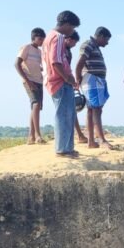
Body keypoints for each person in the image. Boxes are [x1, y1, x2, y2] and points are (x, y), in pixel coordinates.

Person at [42, 10, 80, 157]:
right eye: (72, 27)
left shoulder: (49, 37)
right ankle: (62, 149)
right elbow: (55, 61)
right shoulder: (57, 37)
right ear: (65, 24)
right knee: (63, 115)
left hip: (55, 80)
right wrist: (66, 78)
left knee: (69, 114)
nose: (72, 31)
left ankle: (67, 147)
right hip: (58, 81)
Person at [76, 27, 113, 150]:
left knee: (92, 109)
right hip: (92, 80)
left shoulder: (94, 46)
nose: (107, 43)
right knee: (95, 109)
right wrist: (77, 80)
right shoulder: (88, 44)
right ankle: (101, 140)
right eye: (106, 40)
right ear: (101, 36)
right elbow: (79, 63)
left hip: (97, 80)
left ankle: (91, 141)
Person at [14, 27, 47, 144]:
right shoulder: (26, 48)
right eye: (40, 38)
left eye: (43, 39)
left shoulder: (40, 52)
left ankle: (31, 136)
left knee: (35, 107)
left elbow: (39, 66)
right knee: (36, 104)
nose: (41, 41)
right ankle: (38, 135)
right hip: (29, 81)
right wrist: (27, 81)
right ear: (34, 38)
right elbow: (17, 64)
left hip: (39, 81)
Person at [63, 32, 88, 144]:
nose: (74, 45)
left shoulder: (68, 52)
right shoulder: (59, 49)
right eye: (74, 42)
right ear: (68, 39)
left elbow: (68, 68)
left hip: (68, 81)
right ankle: (76, 136)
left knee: (71, 109)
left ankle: (79, 135)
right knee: (67, 111)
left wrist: (73, 81)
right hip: (60, 82)